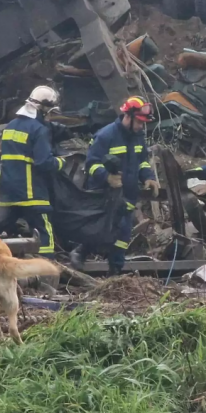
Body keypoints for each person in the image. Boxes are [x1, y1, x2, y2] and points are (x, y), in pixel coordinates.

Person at [76, 96, 159, 277]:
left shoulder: (138, 136)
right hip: (106, 195)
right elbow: (91, 164)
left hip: (128, 195)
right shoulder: (105, 135)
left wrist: (149, 177)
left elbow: (142, 162)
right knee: (101, 230)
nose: (141, 126)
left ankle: (115, 274)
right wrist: (107, 177)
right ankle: (80, 252)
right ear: (128, 116)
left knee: (123, 236)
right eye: (139, 122)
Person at [0, 86, 65, 260]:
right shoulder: (39, 129)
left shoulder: (10, 126)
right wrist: (61, 162)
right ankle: (47, 269)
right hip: (31, 193)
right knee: (44, 234)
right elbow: (44, 162)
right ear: (44, 109)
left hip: (6, 191)